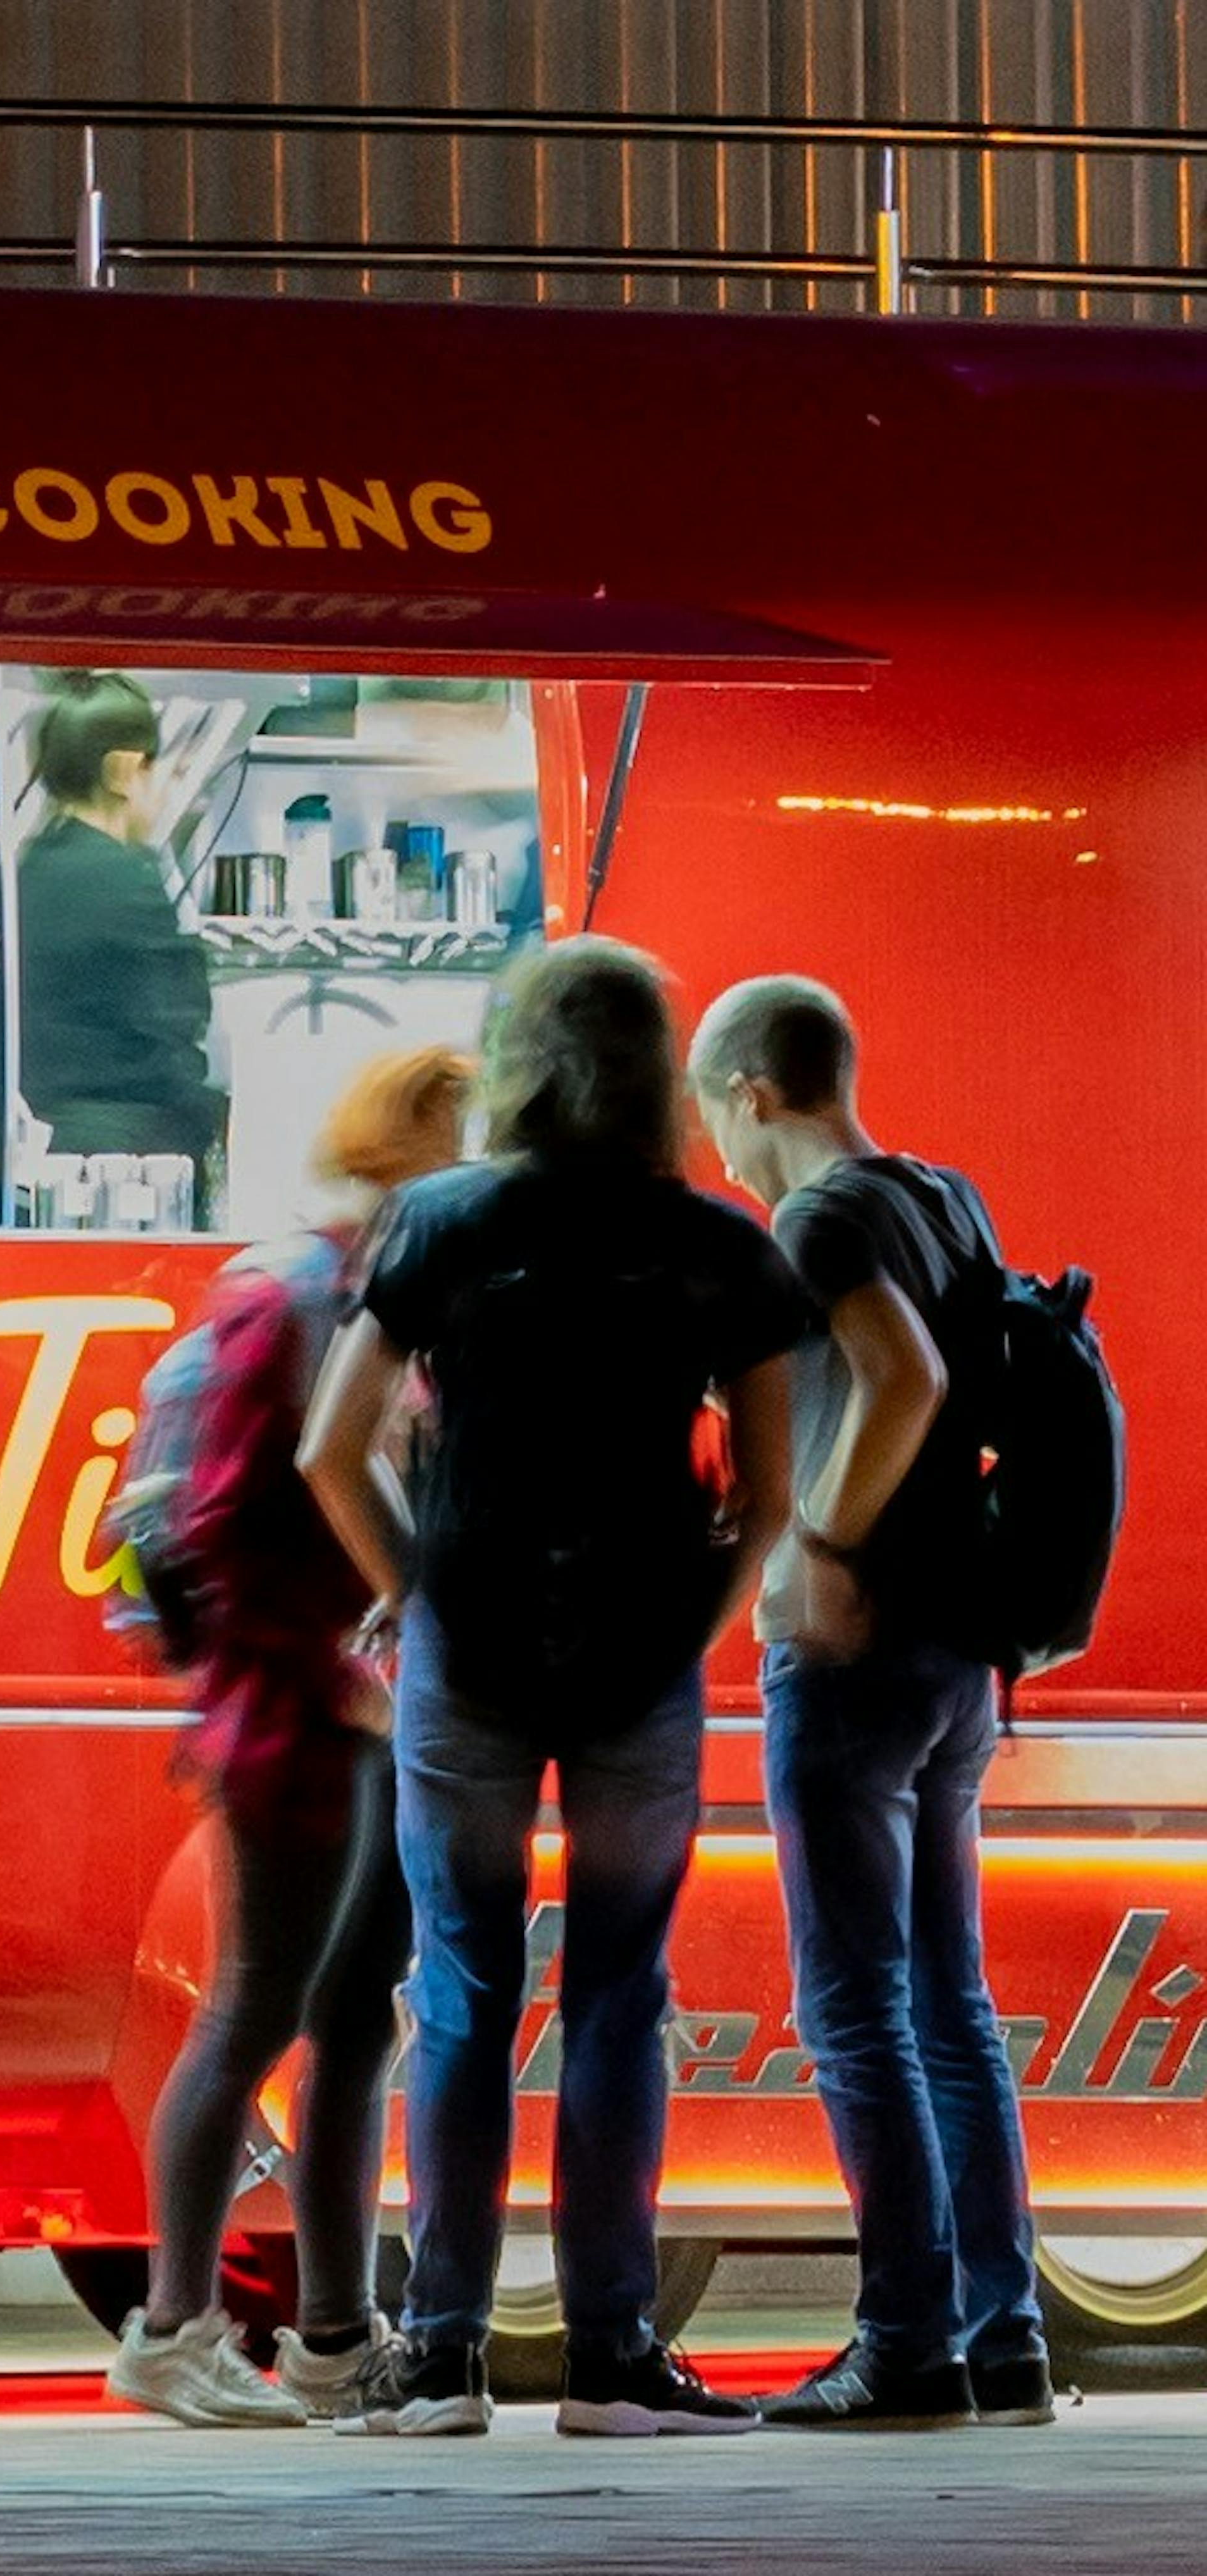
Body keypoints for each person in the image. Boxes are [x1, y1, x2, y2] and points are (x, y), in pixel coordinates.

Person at [298, 937, 803, 2439]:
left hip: (470, 1648)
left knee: (457, 1990)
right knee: (616, 1998)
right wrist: (695, 1618)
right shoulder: (718, 1243)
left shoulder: (438, 1218)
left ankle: (441, 2352)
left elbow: (332, 1445)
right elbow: (763, 1495)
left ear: (511, 1060)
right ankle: (610, 2357)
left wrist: (411, 1593)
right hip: (639, 1657)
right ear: (657, 1068)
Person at [686, 974, 1053, 2431]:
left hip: (851, 1653)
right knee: (944, 2003)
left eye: (714, 1112)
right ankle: (999, 2331)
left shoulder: (817, 1216)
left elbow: (894, 1377)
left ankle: (902, 2337)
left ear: (754, 1092)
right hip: (955, 1651)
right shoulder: (940, 1194)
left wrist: (818, 1542)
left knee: (851, 2008)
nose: (714, 1144)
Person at [104, 1046, 471, 2429]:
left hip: (351, 1712)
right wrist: (340, 1669)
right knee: (252, 2009)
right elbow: (226, 1529)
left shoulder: (367, 1295)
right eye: (457, 1142)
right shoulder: (298, 1298)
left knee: (352, 2023)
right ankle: (172, 2326)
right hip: (293, 1720)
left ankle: (332, 2331)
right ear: (405, 1153)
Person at [16, 671, 222, 1167]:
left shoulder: (25, 872)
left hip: (40, 1152)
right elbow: (175, 1026)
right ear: (122, 772)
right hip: (131, 1159)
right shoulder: (129, 876)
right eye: (159, 771)